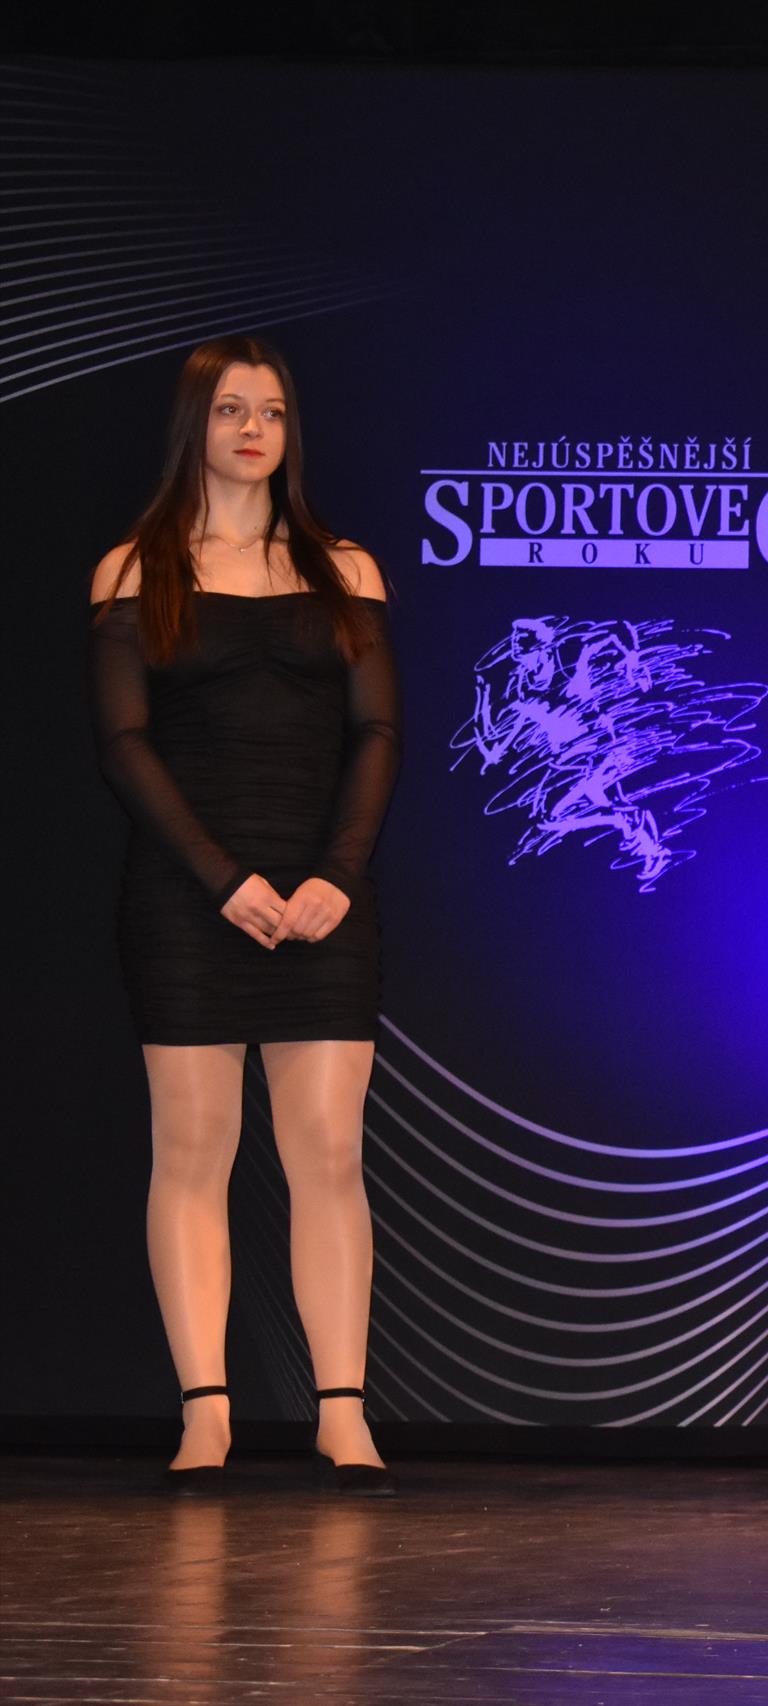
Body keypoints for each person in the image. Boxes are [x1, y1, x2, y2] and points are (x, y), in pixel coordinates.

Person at [89, 336, 401, 1496]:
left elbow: (378, 732)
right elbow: (124, 743)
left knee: (329, 1152)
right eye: (231, 409)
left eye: (271, 410)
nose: (254, 429)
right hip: (187, 897)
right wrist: (222, 878)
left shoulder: (345, 567)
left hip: (322, 896)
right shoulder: (135, 570)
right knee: (192, 1150)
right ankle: (206, 1412)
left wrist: (339, 872)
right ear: (197, 425)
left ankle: (342, 1413)